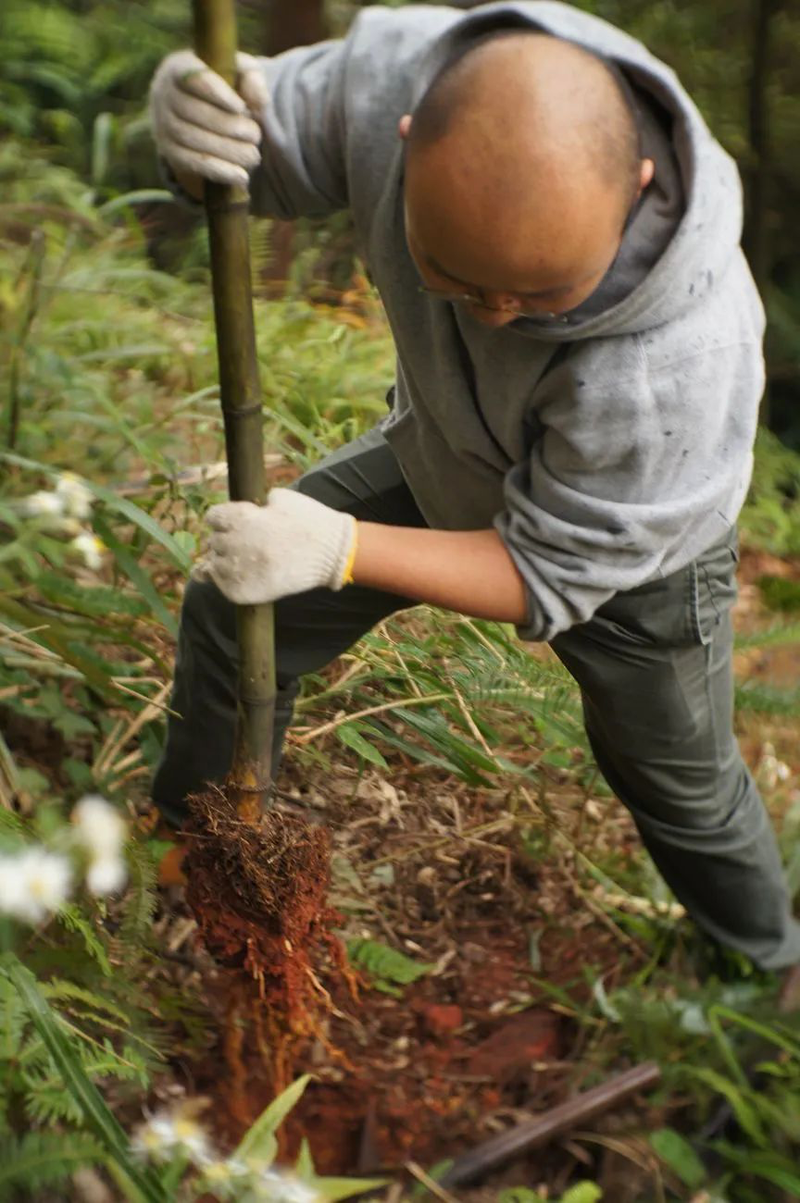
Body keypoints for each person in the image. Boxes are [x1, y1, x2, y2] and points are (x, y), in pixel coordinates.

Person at [148, 2, 800, 983]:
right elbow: (259, 151)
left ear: (636, 186)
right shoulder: (389, 80)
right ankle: (202, 857)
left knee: (679, 787)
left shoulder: (676, 363)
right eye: (456, 278)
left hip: (631, 565)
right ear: (406, 141)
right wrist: (198, 133)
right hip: (444, 453)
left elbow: (547, 571)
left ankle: (766, 965)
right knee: (235, 611)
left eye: (541, 296)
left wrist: (337, 548)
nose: (495, 314)